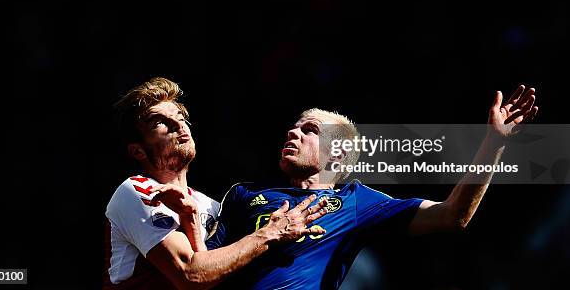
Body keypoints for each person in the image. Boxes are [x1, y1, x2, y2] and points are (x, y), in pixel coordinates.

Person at [197, 85, 538, 289]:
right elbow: (202, 269)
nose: (293, 133)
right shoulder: (244, 194)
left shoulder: (355, 202)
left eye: (310, 130)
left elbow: (452, 215)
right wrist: (264, 236)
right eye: (294, 128)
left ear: (339, 152)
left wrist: (493, 143)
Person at [103, 77, 329, 290]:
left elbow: (211, 276)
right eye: (160, 122)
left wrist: (190, 219)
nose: (178, 125)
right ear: (137, 150)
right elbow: (191, 275)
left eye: (181, 118)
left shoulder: (212, 206)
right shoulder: (136, 191)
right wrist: (269, 233)